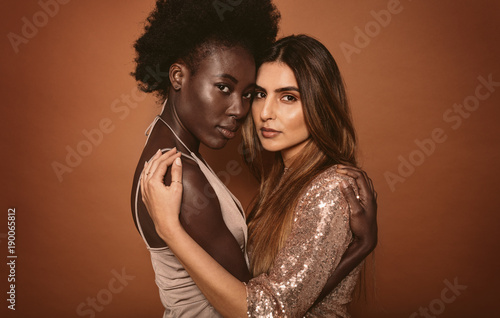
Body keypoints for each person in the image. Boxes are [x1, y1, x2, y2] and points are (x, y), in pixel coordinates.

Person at [140, 34, 377, 317]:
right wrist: (361, 247)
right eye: (260, 94)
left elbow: (266, 312)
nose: (265, 112)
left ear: (320, 104)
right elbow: (282, 297)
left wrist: (169, 230)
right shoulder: (283, 180)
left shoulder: (330, 188)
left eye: (288, 97)